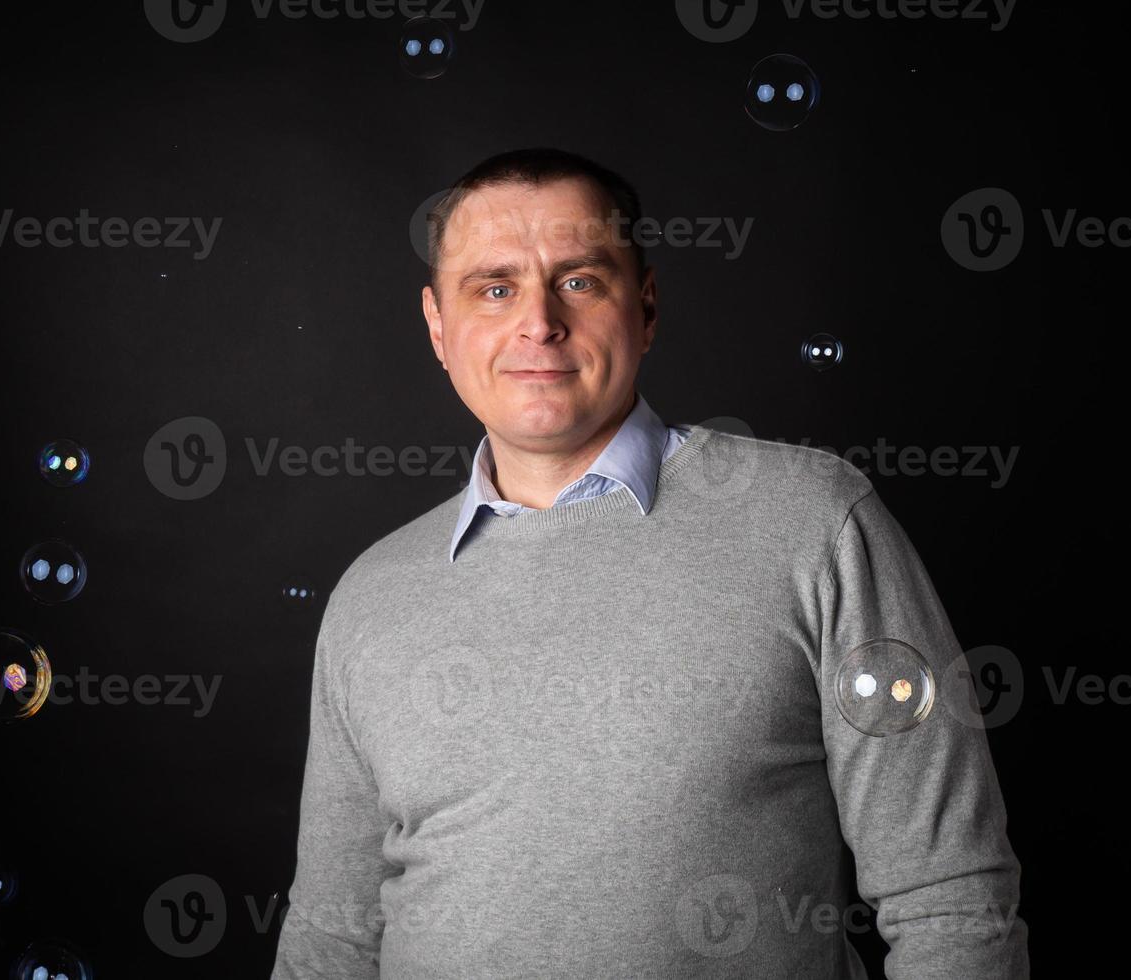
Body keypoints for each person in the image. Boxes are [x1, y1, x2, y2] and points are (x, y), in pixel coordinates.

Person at [271, 147, 1029, 978]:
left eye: (580, 281)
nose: (538, 323)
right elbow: (332, 937)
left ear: (648, 306)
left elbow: (951, 899)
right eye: (494, 288)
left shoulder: (812, 524)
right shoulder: (373, 594)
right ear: (438, 328)